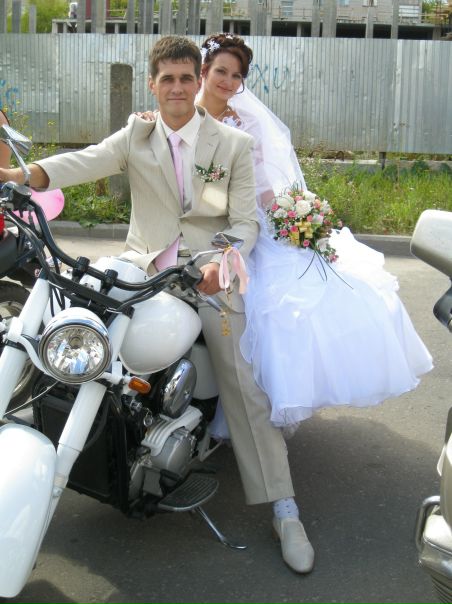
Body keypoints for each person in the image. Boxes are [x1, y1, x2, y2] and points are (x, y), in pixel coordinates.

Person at [0, 36, 315, 574]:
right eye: (167, 78)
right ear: (153, 84)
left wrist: (222, 262)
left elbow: (244, 224)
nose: (177, 88)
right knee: (64, 333)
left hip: (206, 276)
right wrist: (19, 177)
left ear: (197, 82)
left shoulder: (232, 145)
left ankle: (284, 509)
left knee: (242, 385)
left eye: (186, 78)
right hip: (141, 269)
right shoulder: (137, 134)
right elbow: (83, 161)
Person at [193, 33, 432, 432]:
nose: (229, 82)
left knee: (281, 305)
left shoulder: (246, 122)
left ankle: (252, 409)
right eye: (222, 71)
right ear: (203, 71)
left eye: (237, 76)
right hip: (200, 221)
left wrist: (287, 215)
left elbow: (262, 182)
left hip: (242, 220)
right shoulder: (181, 116)